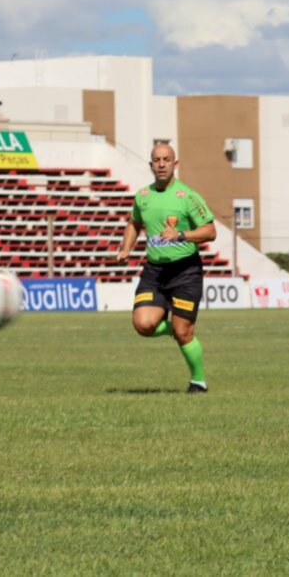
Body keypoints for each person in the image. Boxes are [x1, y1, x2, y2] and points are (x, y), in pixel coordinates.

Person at [116, 142, 217, 393]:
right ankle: (182, 329)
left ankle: (198, 380)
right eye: (157, 160)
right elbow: (134, 223)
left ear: (175, 164)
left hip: (185, 272)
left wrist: (181, 235)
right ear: (151, 165)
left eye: (166, 159)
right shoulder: (143, 196)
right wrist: (126, 247)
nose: (161, 164)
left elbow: (210, 231)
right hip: (155, 271)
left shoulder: (188, 197)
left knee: (184, 334)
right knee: (143, 325)